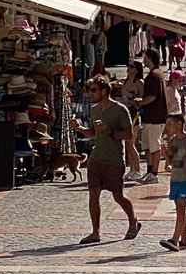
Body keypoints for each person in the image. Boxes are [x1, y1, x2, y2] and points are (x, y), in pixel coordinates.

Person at [66, 77, 140, 244]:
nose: (90, 93)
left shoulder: (120, 110)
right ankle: (95, 232)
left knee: (118, 196)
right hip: (96, 158)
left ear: (104, 91)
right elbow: (93, 133)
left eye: (93, 90)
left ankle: (133, 221)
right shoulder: (94, 110)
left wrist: (110, 133)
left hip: (114, 159)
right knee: (93, 195)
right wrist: (79, 128)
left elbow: (128, 135)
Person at [159, 114, 186, 251]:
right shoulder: (172, 141)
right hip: (175, 178)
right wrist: (165, 153)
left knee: (181, 208)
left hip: (185, 178)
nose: (167, 128)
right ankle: (184, 239)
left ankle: (174, 239)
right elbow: (170, 161)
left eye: (170, 124)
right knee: (179, 210)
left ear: (179, 124)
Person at [137, 49, 168, 184]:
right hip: (150, 117)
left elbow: (152, 96)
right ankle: (150, 171)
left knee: (154, 146)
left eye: (145, 57)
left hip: (155, 117)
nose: (143, 60)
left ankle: (154, 173)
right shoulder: (157, 74)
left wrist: (140, 102)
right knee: (147, 145)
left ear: (150, 58)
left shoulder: (154, 75)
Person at [120, 60, 144, 181]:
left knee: (131, 142)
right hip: (125, 113)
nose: (128, 68)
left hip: (134, 113)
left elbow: (142, 98)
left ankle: (137, 170)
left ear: (136, 69)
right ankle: (132, 169)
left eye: (131, 67)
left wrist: (130, 96)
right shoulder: (125, 81)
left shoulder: (139, 82)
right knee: (127, 143)